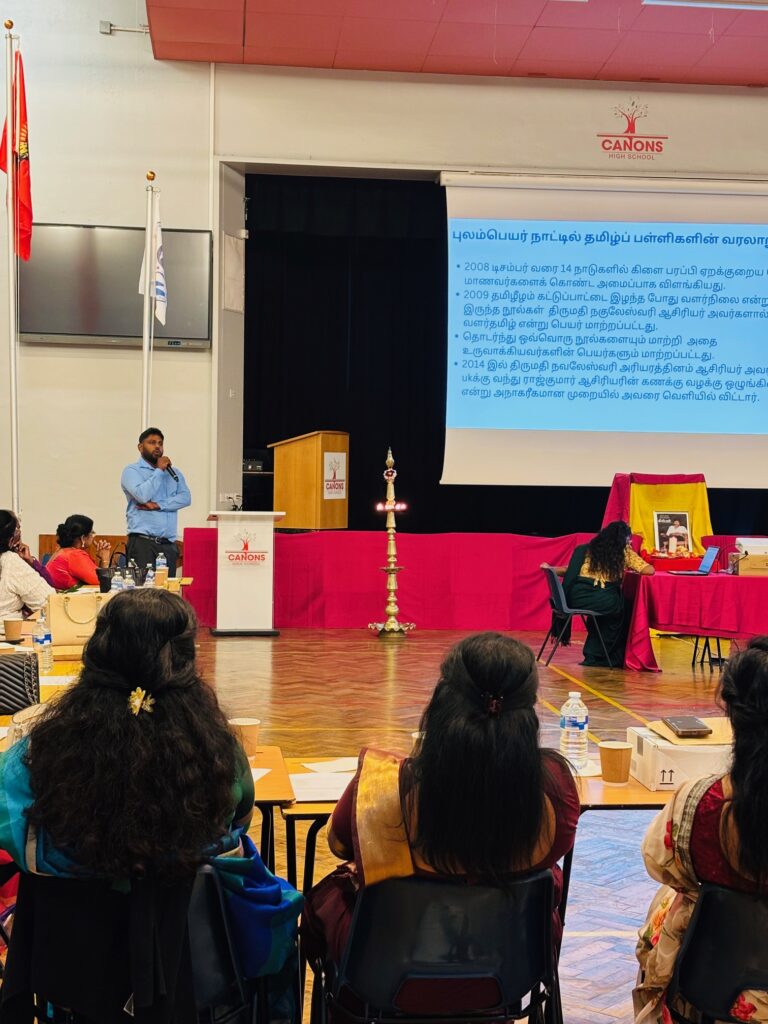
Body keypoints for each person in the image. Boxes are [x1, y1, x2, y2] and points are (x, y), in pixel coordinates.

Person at [0, 589, 299, 1022]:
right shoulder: (218, 753)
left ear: (96, 652)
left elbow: (11, 828)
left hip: (72, 977)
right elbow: (237, 820)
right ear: (186, 659)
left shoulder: (38, 754)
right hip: (191, 971)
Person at [303, 632, 580, 976]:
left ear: (442, 702)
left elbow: (339, 843)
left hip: (392, 968)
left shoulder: (383, 784)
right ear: (529, 710)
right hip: (509, 966)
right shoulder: (556, 790)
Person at [634, 637, 768, 1024]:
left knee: (672, 899)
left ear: (733, 712)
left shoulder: (698, 801)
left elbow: (657, 862)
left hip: (711, 984)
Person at [556, 520, 654, 668]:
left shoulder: (588, 548)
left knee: (612, 607)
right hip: (599, 597)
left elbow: (570, 571)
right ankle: (603, 655)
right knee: (625, 607)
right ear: (624, 539)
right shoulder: (623, 551)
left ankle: (595, 652)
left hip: (575, 597)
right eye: (629, 539)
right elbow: (648, 570)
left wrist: (551, 569)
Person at [121, 427, 191, 577]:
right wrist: (159, 471)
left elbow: (186, 498)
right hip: (143, 543)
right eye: (152, 443)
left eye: (160, 443)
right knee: (143, 589)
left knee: (166, 590)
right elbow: (142, 495)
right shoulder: (132, 471)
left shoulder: (174, 473)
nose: (157, 446)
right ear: (140, 447)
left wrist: (159, 505)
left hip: (168, 545)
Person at [0, 510, 54, 621]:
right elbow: (47, 601)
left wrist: (30, 562)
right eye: (17, 529)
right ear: (11, 539)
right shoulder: (9, 561)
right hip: (8, 630)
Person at [45, 514, 112, 590]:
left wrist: (102, 560)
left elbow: (95, 579)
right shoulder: (74, 555)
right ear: (83, 538)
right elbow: (102, 581)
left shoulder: (62, 551)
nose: (93, 536)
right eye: (92, 533)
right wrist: (105, 559)